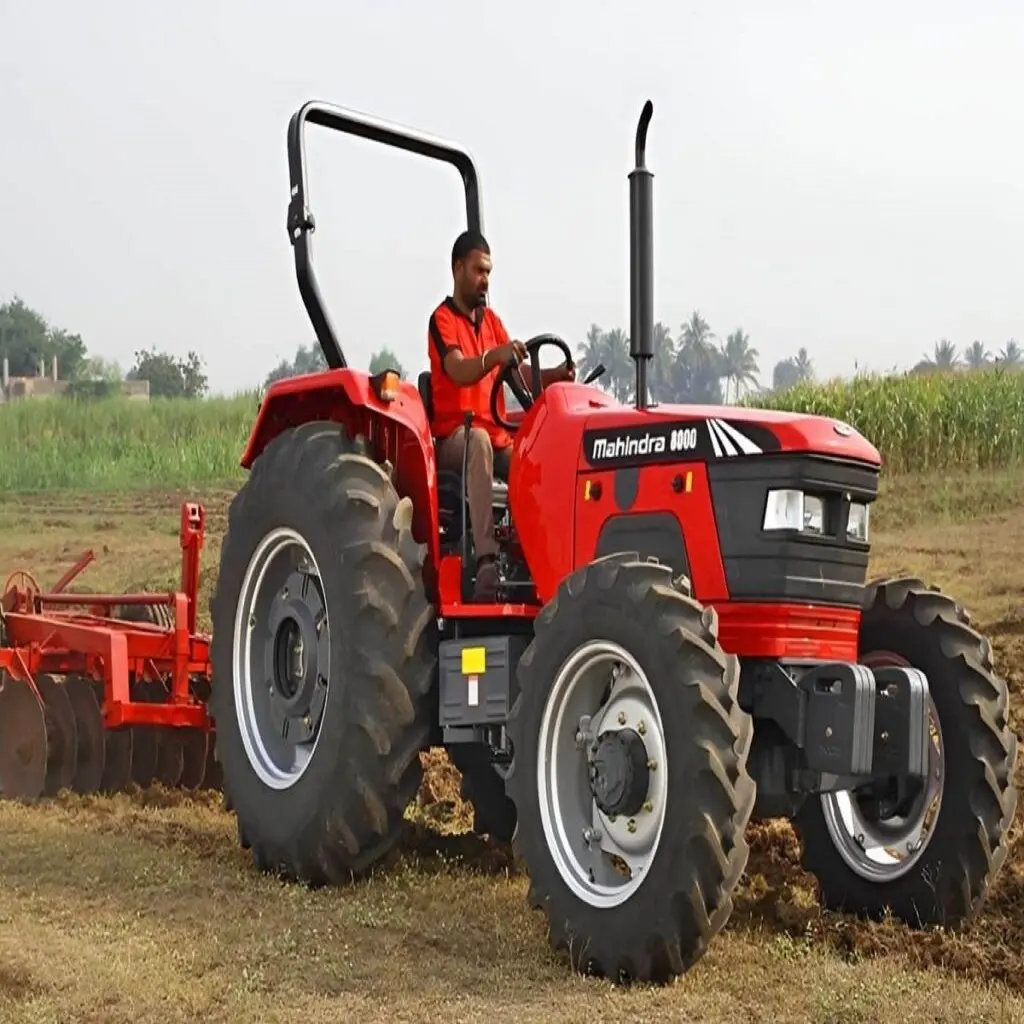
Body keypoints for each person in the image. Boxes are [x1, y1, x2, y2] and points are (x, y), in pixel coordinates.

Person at [427, 228, 574, 600]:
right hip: (454, 438)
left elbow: (512, 370)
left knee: (532, 456)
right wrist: (495, 355)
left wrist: (555, 376)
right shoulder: (442, 320)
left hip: (494, 436)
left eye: (489, 272)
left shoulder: (490, 322)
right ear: (458, 268)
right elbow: (459, 369)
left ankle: (548, 557)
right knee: (478, 442)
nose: (485, 280)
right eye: (479, 271)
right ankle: (487, 563)